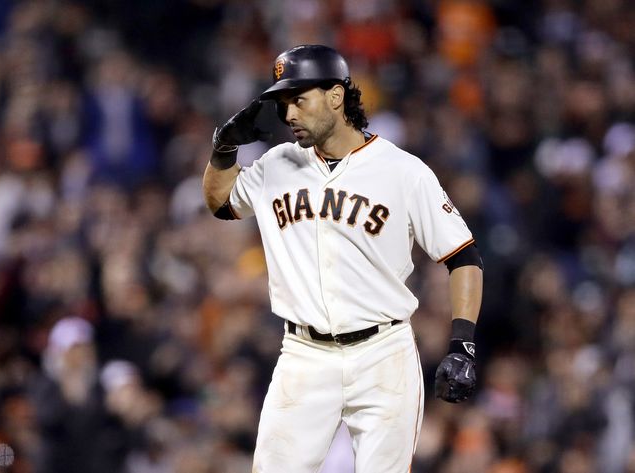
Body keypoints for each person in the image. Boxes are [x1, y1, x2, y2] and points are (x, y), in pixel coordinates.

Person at [202, 44, 484, 473]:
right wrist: (223, 149)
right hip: (303, 353)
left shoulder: (402, 170)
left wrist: (462, 343)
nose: (289, 114)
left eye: (299, 99)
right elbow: (220, 203)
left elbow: (464, 257)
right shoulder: (276, 164)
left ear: (336, 96)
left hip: (383, 353)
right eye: (283, 103)